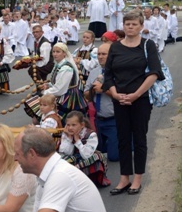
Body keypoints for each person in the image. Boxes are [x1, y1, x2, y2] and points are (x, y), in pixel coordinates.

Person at [102, 10, 164, 195]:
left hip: (141, 99)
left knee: (139, 138)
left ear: (141, 26)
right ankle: (124, 178)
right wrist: (114, 94)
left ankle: (137, 178)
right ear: (123, 25)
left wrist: (136, 95)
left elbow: (154, 73)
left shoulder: (148, 45)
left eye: (134, 24)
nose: (130, 27)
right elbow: (108, 75)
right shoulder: (115, 47)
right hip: (119, 99)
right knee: (122, 138)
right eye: (127, 23)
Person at [85, 43, 119, 162]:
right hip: (97, 120)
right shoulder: (94, 72)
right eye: (98, 54)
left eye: (104, 54)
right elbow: (86, 95)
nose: (100, 57)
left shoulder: (118, 72)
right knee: (98, 153)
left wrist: (104, 89)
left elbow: (121, 96)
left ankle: (128, 141)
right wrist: (92, 91)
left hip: (113, 119)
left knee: (114, 157)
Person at [59, 111, 110, 187]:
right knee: (60, 160)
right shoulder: (67, 133)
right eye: (68, 125)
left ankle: (88, 179)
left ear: (82, 125)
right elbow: (67, 153)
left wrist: (77, 141)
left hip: (86, 158)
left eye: (73, 125)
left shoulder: (91, 135)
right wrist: (69, 139)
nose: (70, 128)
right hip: (74, 158)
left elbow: (86, 155)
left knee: (97, 156)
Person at [40, 43, 86, 119]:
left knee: (65, 119)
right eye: (53, 52)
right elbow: (58, 82)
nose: (55, 54)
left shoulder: (66, 68)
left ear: (64, 53)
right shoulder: (59, 64)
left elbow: (60, 89)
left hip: (68, 97)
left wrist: (45, 93)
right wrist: (49, 85)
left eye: (58, 52)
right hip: (62, 92)